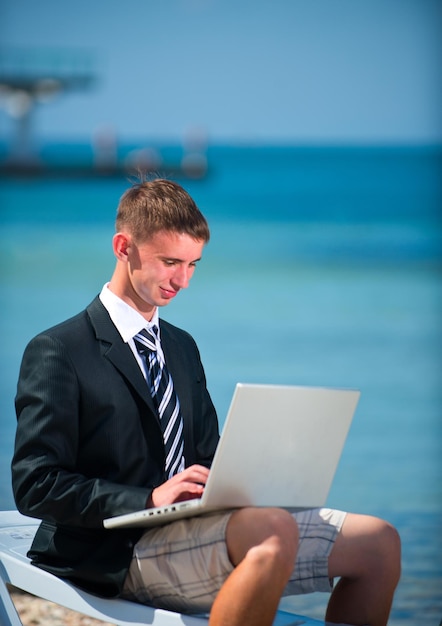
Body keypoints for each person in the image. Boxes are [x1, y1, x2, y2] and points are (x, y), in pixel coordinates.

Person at [12, 178, 401, 626]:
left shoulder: (180, 346)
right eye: (170, 262)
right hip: (114, 548)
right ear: (124, 247)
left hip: (197, 526)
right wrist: (149, 498)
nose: (183, 280)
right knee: (271, 532)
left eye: (194, 264)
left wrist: (262, 473)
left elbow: (205, 455)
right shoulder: (59, 349)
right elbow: (35, 483)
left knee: (379, 542)